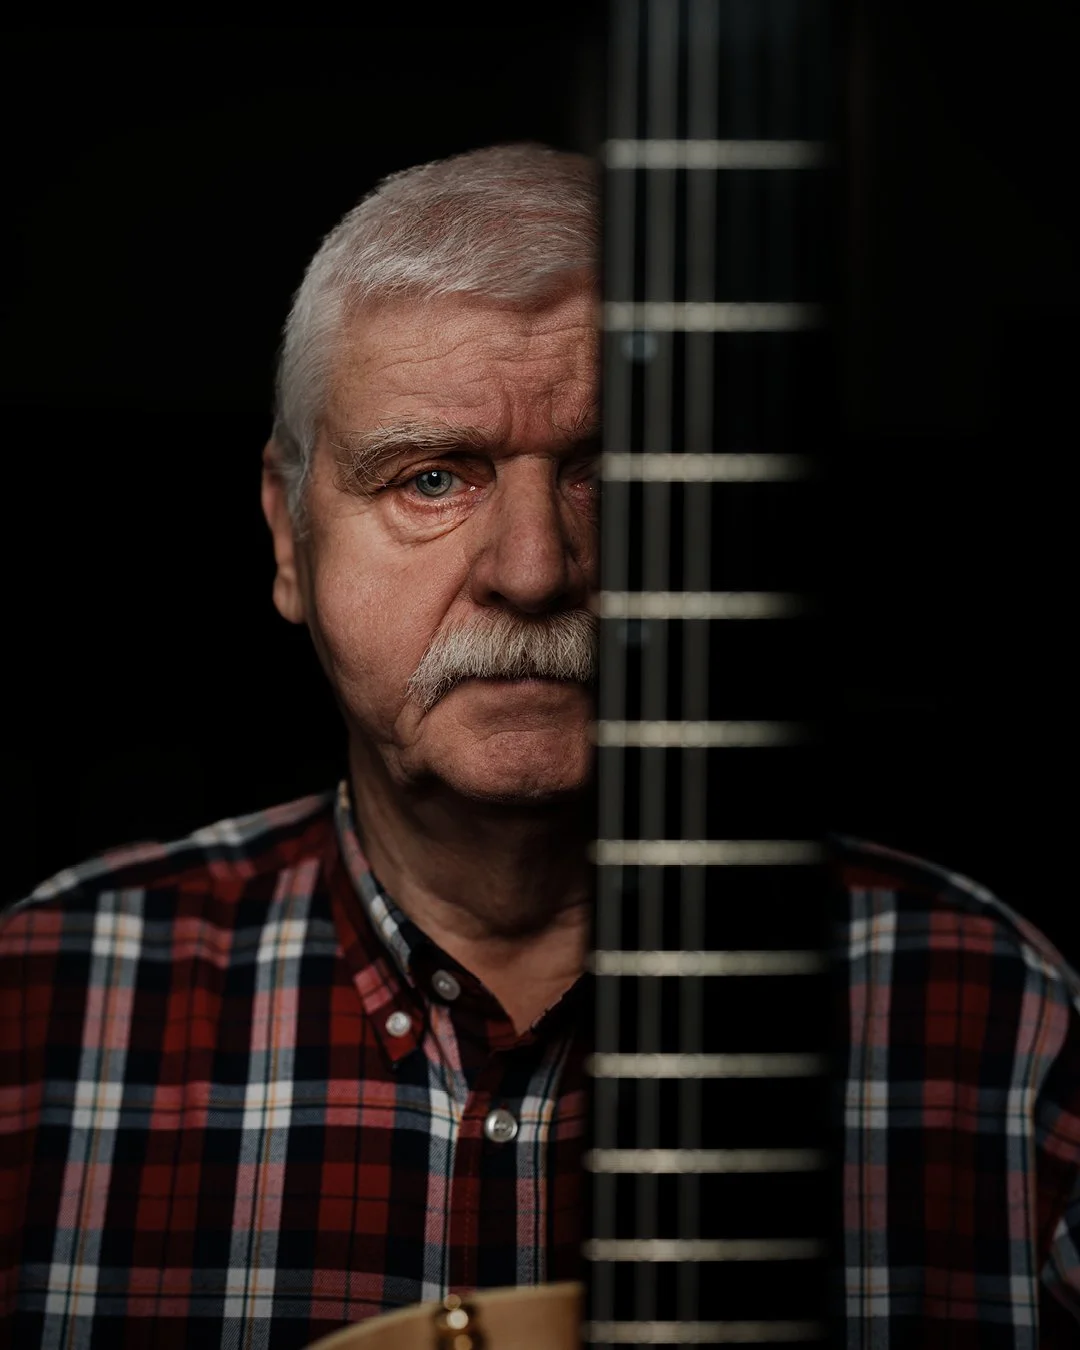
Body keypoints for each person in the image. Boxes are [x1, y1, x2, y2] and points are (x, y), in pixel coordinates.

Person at [1, 144, 1078, 1349]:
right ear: (290, 538)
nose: (533, 571)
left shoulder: (1004, 1030)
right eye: (431, 478)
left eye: (614, 476)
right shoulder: (39, 1010)